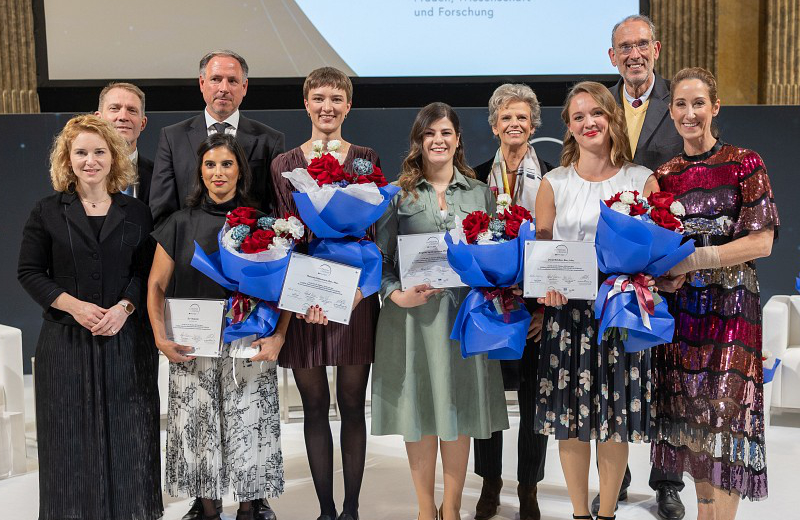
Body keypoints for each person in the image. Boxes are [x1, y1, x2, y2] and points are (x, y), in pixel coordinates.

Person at [17, 114, 161, 520]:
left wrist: (124, 308)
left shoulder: (137, 212)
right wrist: (74, 306)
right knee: (68, 440)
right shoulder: (46, 211)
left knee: (131, 435)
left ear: (114, 156)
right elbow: (29, 272)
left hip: (126, 341)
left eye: (99, 152)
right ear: (67, 158)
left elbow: (146, 272)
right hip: (65, 342)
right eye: (80, 152)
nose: (90, 161)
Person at [372, 102, 509, 520]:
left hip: (464, 319)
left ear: (458, 139)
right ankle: (424, 509)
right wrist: (396, 295)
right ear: (419, 140)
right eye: (430, 133)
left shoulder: (481, 193)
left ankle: (451, 509)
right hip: (411, 321)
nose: (438, 140)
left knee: (457, 410)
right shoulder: (396, 195)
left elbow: (492, 257)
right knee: (418, 411)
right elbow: (380, 260)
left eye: (446, 132)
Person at [651, 67, 778, 520]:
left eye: (699, 103)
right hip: (684, 313)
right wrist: (664, 276)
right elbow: (655, 248)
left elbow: (762, 242)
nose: (690, 113)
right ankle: (705, 512)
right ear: (671, 112)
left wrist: (696, 260)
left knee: (726, 420)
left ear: (715, 107)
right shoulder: (664, 175)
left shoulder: (745, 162)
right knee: (694, 422)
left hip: (733, 309)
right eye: (681, 105)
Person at [533, 82, 658, 520]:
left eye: (597, 113)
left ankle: (606, 514)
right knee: (569, 422)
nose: (589, 123)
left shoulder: (641, 179)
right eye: (579, 116)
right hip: (567, 316)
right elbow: (542, 250)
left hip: (619, 312)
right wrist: (545, 287)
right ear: (568, 127)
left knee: (614, 420)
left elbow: (654, 248)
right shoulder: (553, 182)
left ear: (612, 118)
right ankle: (578, 513)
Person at [148, 134, 287, 520]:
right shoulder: (179, 222)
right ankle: (207, 509)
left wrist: (279, 336)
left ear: (240, 170)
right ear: (200, 172)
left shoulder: (263, 223)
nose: (218, 172)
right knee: (197, 427)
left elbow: (284, 287)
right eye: (210, 164)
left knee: (250, 423)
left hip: (249, 342)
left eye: (227, 163)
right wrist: (160, 336)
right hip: (193, 345)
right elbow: (156, 285)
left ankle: (249, 508)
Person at [269, 66, 378, 520]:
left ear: (348, 105)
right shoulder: (284, 164)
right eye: (319, 98)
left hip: (354, 300)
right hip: (304, 302)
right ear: (306, 103)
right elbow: (285, 236)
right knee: (313, 406)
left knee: (352, 404)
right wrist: (301, 297)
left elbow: (372, 235)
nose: (327, 107)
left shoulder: (365, 159)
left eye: (336, 99)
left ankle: (351, 509)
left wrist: (354, 294)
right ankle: (326, 511)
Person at [607, 14, 685, 519]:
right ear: (612, 56)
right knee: (616, 373)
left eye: (641, 45)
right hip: (612, 263)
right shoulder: (600, 103)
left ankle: (668, 482)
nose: (634, 54)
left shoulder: (680, 102)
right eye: (624, 47)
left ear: (655, 49)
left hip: (666, 259)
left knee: (668, 376)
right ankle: (616, 478)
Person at [471, 83, 552, 520]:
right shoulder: (476, 177)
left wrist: (543, 309)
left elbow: (559, 248)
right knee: (488, 399)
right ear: (494, 125)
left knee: (535, 402)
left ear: (533, 124)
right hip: (490, 306)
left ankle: (529, 487)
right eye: (506, 117)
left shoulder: (555, 176)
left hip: (537, 309)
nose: (514, 124)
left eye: (522, 117)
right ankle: (490, 483)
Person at [149, 50, 285, 225]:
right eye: (216, 79)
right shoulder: (172, 137)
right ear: (202, 83)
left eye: (232, 81)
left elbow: (276, 209)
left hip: (249, 241)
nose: (224, 89)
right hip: (187, 241)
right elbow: (161, 209)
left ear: (244, 87)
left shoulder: (270, 140)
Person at [95, 82, 153, 203]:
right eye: (114, 108)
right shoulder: (81, 174)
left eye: (132, 110)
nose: (123, 117)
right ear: (98, 119)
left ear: (143, 123)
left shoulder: (157, 174)